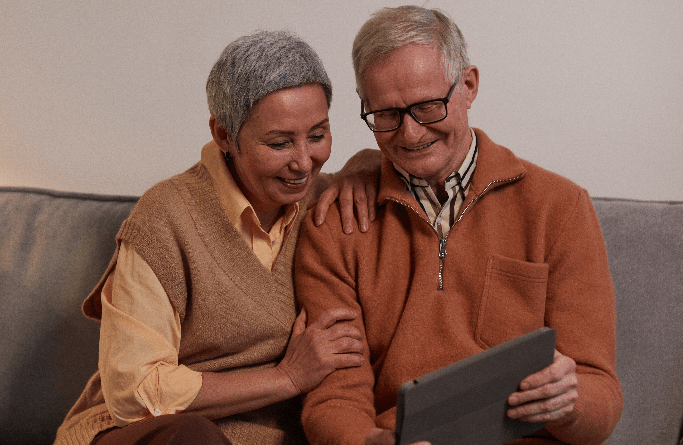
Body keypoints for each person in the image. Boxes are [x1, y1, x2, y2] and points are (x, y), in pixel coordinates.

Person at [294, 6, 623, 445]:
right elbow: (334, 398)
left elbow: (600, 393)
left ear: (468, 86)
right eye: (387, 115)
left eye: (428, 107)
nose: (410, 134)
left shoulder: (559, 208)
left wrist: (569, 401)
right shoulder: (335, 223)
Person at [54, 30, 375, 445]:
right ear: (224, 136)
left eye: (317, 135)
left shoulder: (329, 204)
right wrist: (286, 377)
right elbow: (133, 392)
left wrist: (371, 168)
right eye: (279, 143)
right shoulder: (164, 219)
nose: (302, 162)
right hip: (148, 435)